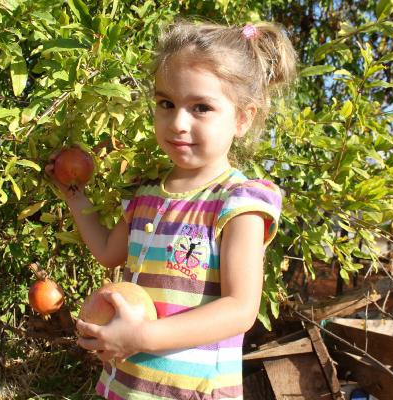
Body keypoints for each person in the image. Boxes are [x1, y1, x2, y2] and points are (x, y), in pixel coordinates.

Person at [45, 19, 297, 400]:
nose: (178, 122)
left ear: (243, 118)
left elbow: (240, 309)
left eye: (201, 107)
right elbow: (108, 251)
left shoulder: (238, 203)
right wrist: (74, 196)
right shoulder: (146, 195)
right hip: (126, 387)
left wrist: (143, 336)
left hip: (194, 392)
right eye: (166, 103)